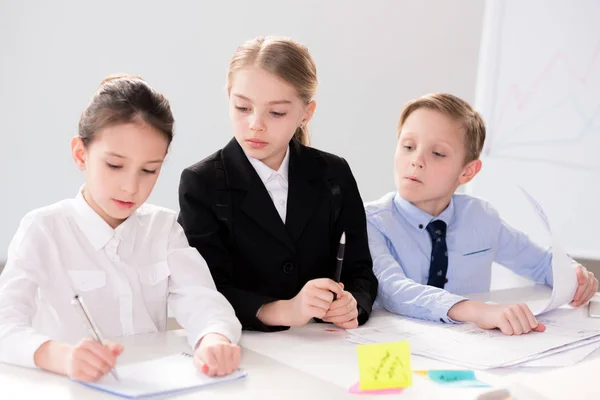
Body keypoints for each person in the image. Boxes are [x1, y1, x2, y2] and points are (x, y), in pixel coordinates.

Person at [0, 75, 242, 381]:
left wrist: (214, 339)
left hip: (152, 387)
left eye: (149, 170)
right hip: (72, 388)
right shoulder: (44, 229)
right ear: (80, 154)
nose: (131, 187)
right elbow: (4, 325)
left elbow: (204, 301)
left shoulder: (163, 228)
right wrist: (62, 356)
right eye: (114, 165)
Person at [178, 36, 378, 332]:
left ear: (306, 114)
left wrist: (352, 304)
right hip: (244, 346)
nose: (255, 124)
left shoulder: (334, 173)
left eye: (276, 112)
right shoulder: (201, 183)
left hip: (325, 344)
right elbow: (204, 290)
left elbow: (360, 270)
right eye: (243, 108)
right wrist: (283, 310)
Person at [366, 93, 598, 335]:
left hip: (472, 348)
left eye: (437, 153)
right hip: (395, 345)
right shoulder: (372, 221)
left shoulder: (480, 217)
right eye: (408, 147)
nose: (416, 160)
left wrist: (572, 274)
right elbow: (392, 289)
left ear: (467, 172)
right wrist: (478, 311)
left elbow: (539, 263)